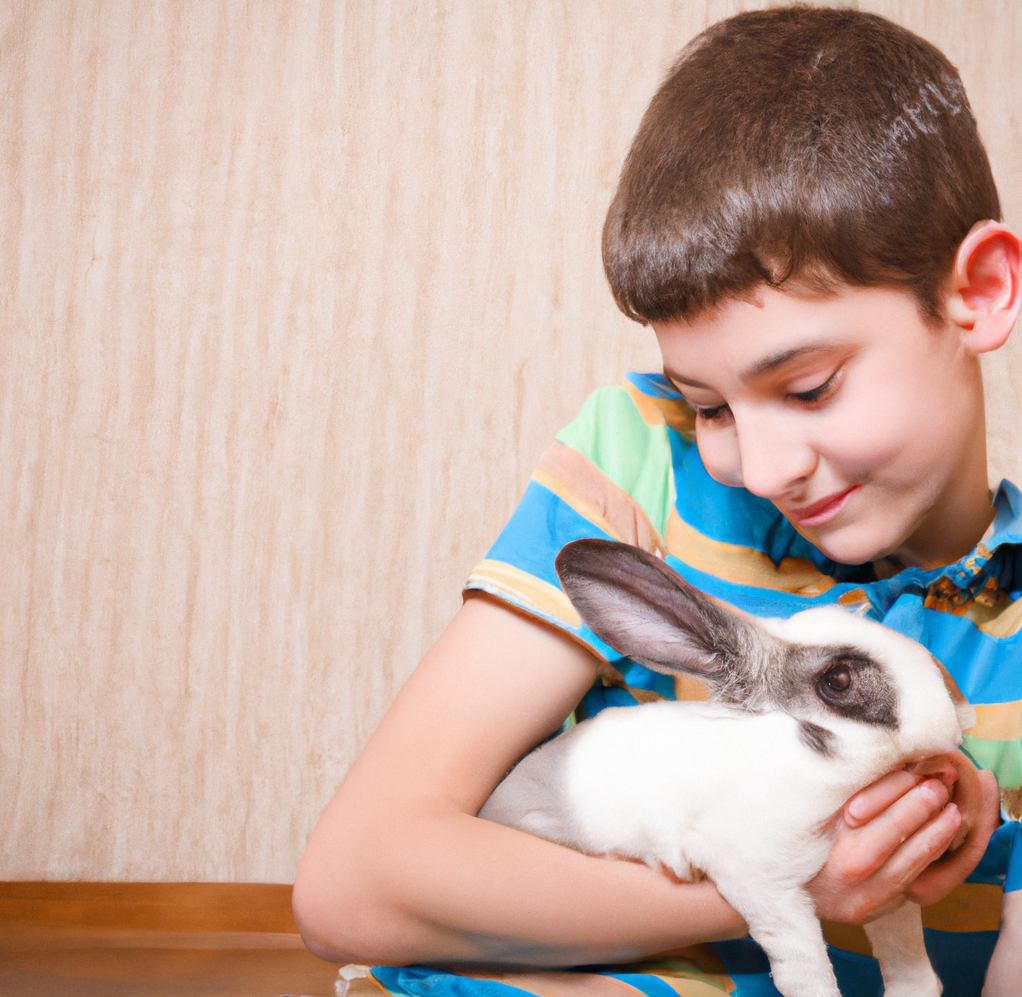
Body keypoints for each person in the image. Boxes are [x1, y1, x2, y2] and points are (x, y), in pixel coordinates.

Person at [293, 7, 1022, 996]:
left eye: (807, 387)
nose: (760, 469)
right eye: (708, 404)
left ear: (975, 293)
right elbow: (351, 889)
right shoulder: (641, 461)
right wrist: (779, 881)